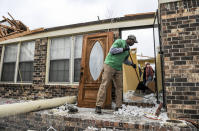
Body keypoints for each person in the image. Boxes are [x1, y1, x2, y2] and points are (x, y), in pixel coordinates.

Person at [95, 34, 138, 114]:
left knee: (119, 87)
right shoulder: (119, 42)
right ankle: (98, 106)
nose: (133, 44)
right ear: (129, 39)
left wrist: (132, 64)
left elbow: (125, 61)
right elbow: (112, 51)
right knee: (104, 85)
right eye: (133, 42)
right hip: (109, 65)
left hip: (118, 68)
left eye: (134, 43)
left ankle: (118, 106)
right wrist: (123, 49)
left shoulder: (127, 51)